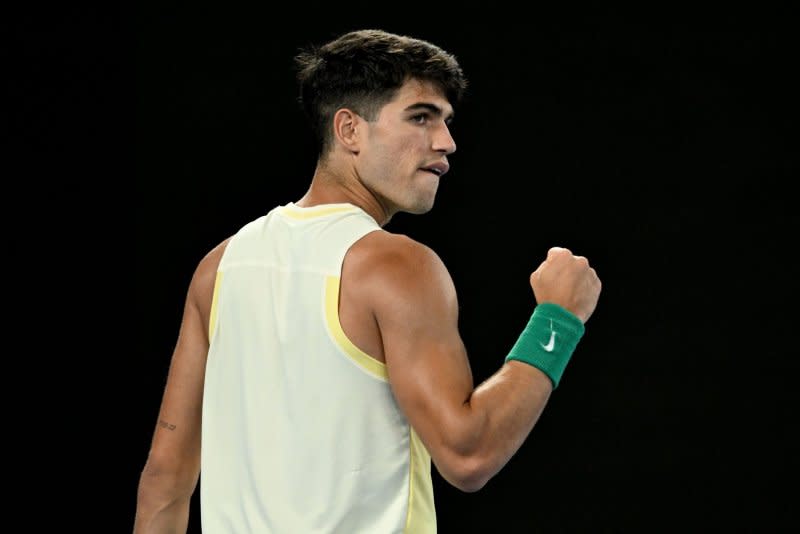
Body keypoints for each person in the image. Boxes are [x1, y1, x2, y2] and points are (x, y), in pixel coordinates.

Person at [134, 28, 602, 533]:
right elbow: (469, 455)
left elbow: (166, 477)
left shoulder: (220, 266)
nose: (447, 142)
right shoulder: (396, 266)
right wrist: (558, 319)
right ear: (349, 130)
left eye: (446, 121)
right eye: (421, 117)